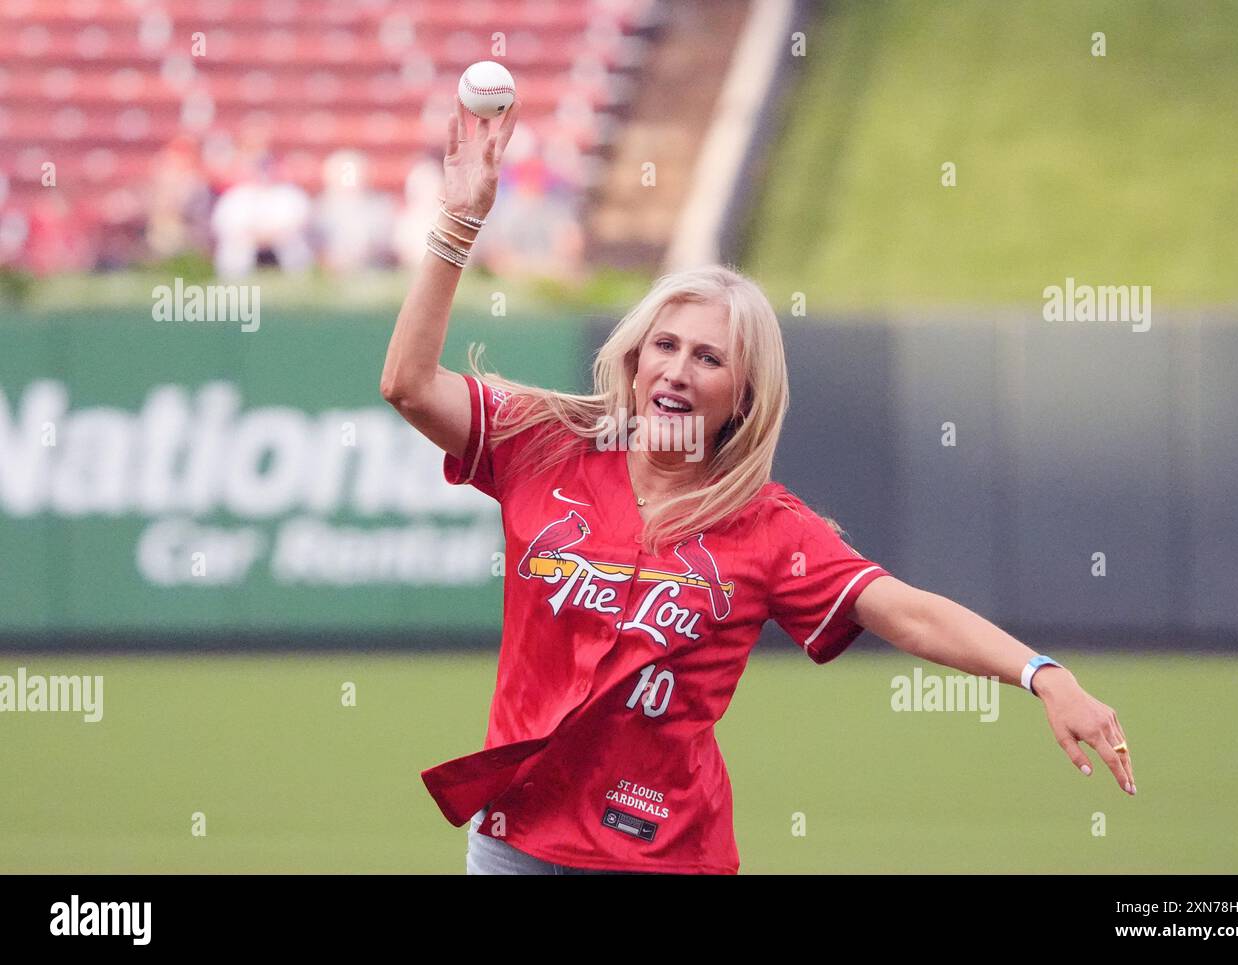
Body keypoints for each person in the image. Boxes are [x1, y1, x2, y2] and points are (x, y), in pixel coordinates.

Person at [380, 98, 1137, 876]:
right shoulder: (546, 445)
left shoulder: (767, 528)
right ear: (635, 359)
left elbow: (908, 612)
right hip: (516, 841)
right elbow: (407, 384)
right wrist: (459, 220)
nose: (677, 369)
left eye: (708, 358)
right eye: (664, 345)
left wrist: (1042, 672)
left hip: (663, 855)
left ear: (744, 394)